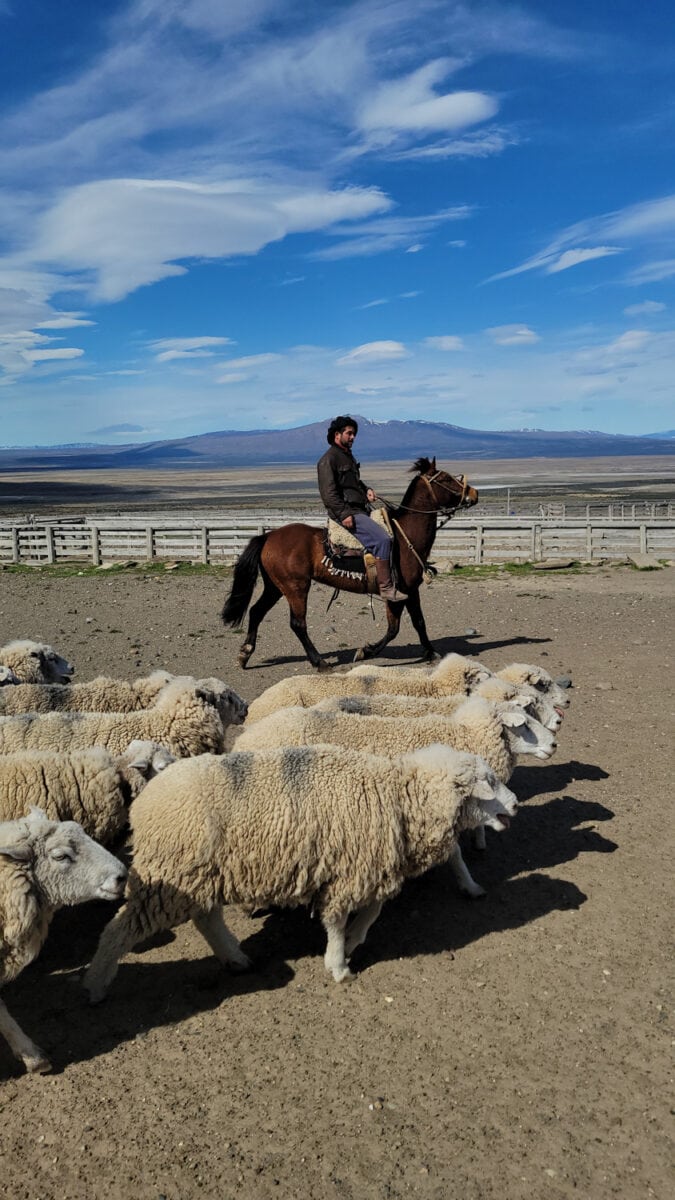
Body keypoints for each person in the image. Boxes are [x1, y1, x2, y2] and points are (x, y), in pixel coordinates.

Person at [316, 415, 407, 602]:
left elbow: (354, 483)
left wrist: (367, 490)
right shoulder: (328, 460)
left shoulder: (347, 456)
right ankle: (386, 587)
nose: (353, 437)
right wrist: (344, 514)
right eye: (349, 433)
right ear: (337, 435)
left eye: (354, 434)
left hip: (360, 508)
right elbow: (329, 494)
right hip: (349, 512)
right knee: (382, 540)